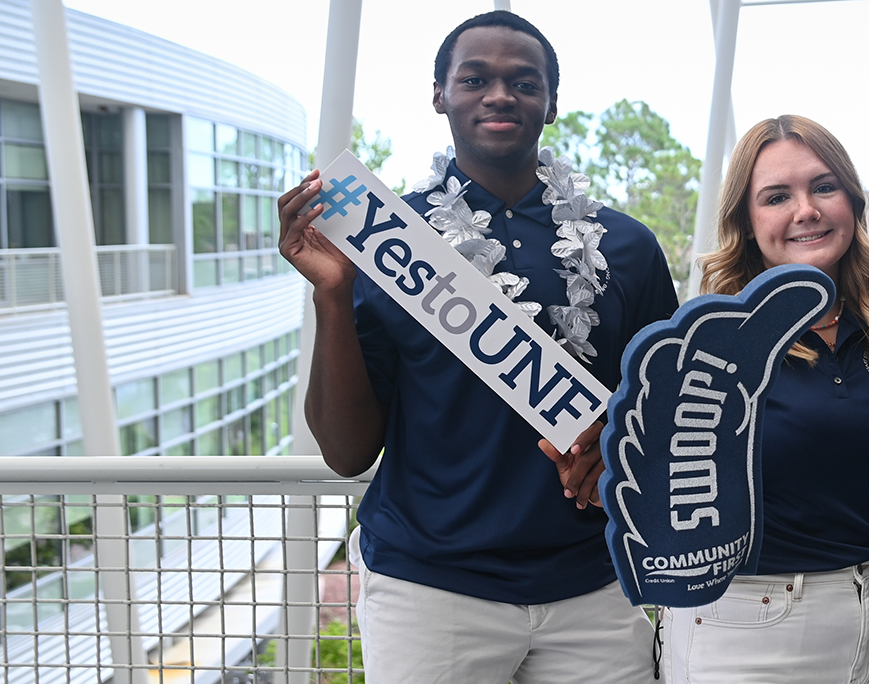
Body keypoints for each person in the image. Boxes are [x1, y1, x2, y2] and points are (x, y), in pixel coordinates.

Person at [276, 11, 677, 683]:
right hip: (428, 589)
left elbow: (662, 418)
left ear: (552, 102)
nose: (499, 94)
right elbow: (347, 454)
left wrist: (615, 448)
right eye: (474, 78)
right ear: (440, 95)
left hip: (595, 584)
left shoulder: (628, 247)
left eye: (524, 81)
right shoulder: (386, 247)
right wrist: (333, 296)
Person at [657, 114, 869, 683]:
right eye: (777, 196)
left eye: (824, 187)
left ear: (852, 202)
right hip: (752, 631)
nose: (806, 209)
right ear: (747, 221)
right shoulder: (710, 343)